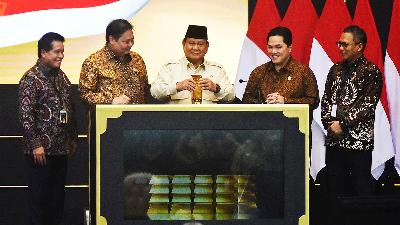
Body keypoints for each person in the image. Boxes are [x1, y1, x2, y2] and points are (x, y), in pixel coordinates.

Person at [321, 25, 382, 224]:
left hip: (358, 144)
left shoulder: (371, 71)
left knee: (360, 188)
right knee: (334, 189)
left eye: (345, 44)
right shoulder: (335, 69)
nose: (340, 47)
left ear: (359, 46)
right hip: (334, 142)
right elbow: (326, 100)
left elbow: (367, 105)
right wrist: (330, 123)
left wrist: (343, 124)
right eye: (339, 43)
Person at [18, 32, 77, 225]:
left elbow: (70, 107)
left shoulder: (61, 76)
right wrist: (36, 144)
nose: (61, 56)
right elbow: (26, 116)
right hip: (40, 152)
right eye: (56, 52)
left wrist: (72, 138)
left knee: (57, 200)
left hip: (60, 149)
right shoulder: (30, 79)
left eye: (62, 52)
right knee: (39, 201)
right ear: (43, 52)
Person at [150, 25, 235, 104]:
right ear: (184, 44)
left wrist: (216, 88)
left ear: (207, 46)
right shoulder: (170, 68)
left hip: (209, 119)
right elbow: (155, 93)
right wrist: (176, 86)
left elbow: (231, 96)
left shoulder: (217, 69)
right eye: (191, 43)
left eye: (200, 44)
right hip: (176, 119)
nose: (195, 48)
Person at [242, 26, 319, 110]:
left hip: (294, 122)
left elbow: (313, 101)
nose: (273, 51)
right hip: (263, 121)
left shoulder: (303, 72)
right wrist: (264, 104)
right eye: (270, 47)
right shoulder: (259, 72)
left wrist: (285, 101)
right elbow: (247, 100)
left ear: (289, 48)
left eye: (278, 47)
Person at [79, 19, 150, 105]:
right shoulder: (93, 62)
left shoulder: (137, 59)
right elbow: (84, 94)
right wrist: (110, 101)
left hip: (139, 116)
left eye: (132, 40)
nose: (131, 44)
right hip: (109, 117)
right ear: (112, 39)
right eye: (126, 42)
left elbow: (145, 91)